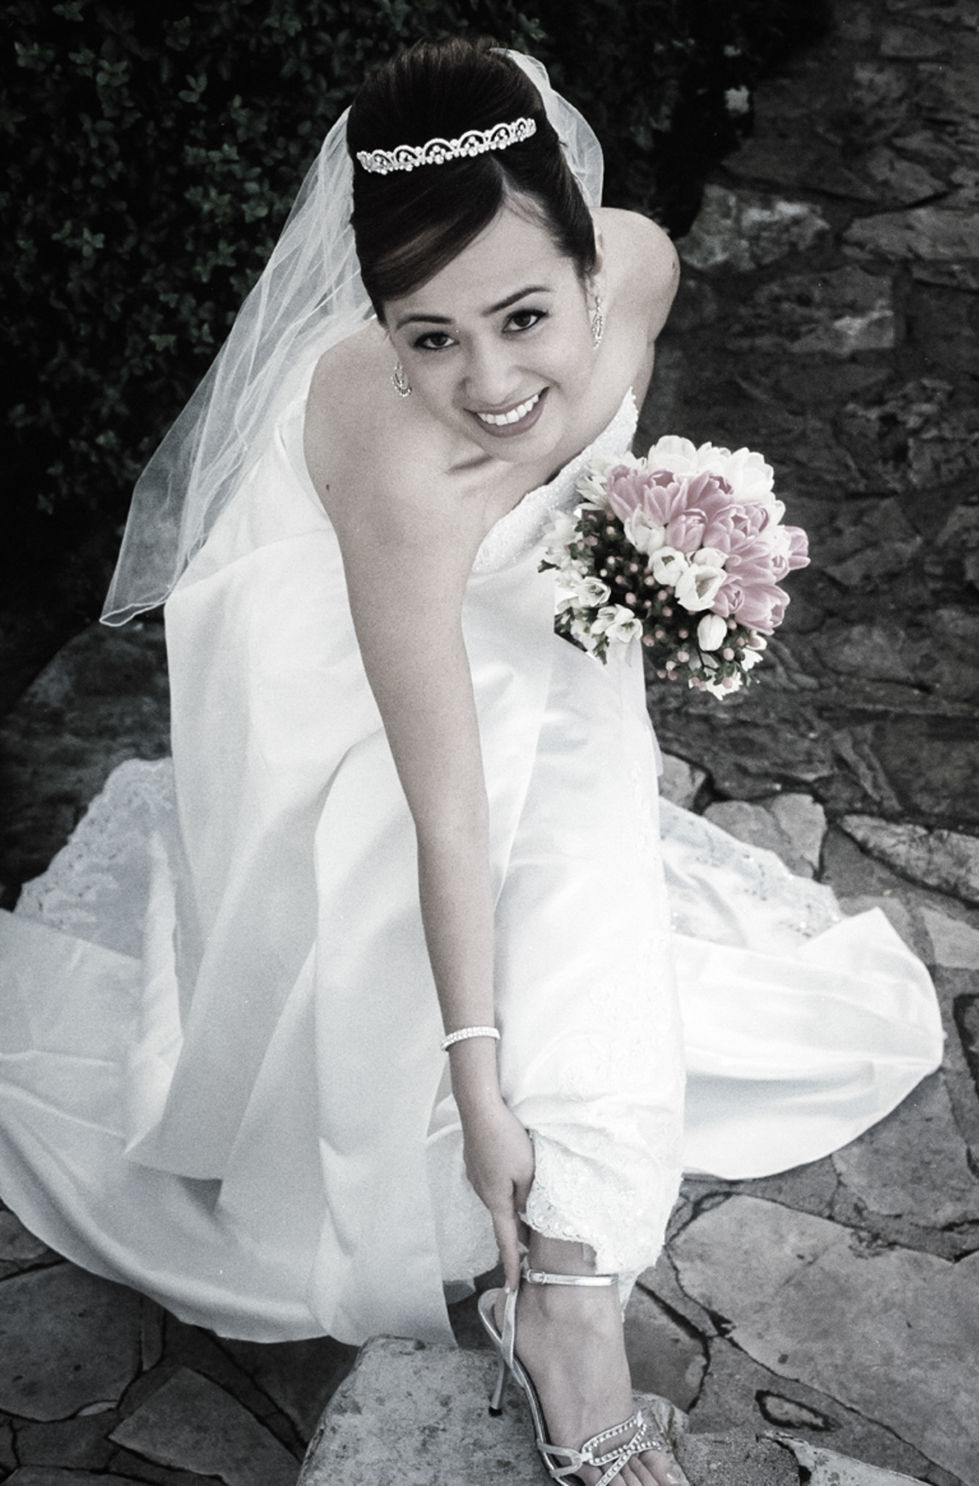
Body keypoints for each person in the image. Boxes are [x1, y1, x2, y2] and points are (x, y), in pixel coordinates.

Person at [0, 38, 942, 1486]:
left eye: (521, 316)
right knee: (514, 939)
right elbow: (445, 816)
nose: (487, 381)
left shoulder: (635, 256)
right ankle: (567, 1320)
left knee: (591, 877)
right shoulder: (401, 471)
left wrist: (650, 541)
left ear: (581, 258)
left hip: (559, 649)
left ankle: (565, 1303)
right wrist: (481, 1088)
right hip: (396, 719)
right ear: (378, 323)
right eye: (427, 336)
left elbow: (635, 312)